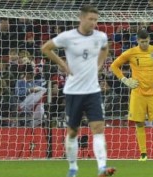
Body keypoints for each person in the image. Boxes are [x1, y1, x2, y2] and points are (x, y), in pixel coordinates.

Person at [41, 5, 115, 177]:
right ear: (81, 18)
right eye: (91, 19)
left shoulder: (100, 36)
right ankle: (73, 168)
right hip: (73, 92)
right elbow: (45, 48)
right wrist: (63, 64)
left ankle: (102, 167)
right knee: (73, 131)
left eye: (96, 20)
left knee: (98, 127)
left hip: (93, 91)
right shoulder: (68, 37)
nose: (94, 23)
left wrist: (100, 65)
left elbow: (105, 48)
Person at [110, 30, 153, 161]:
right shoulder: (131, 52)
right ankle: (143, 154)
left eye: (146, 41)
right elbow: (114, 66)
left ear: (149, 39)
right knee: (139, 123)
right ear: (137, 41)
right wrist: (125, 80)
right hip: (138, 92)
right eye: (142, 42)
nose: (144, 44)